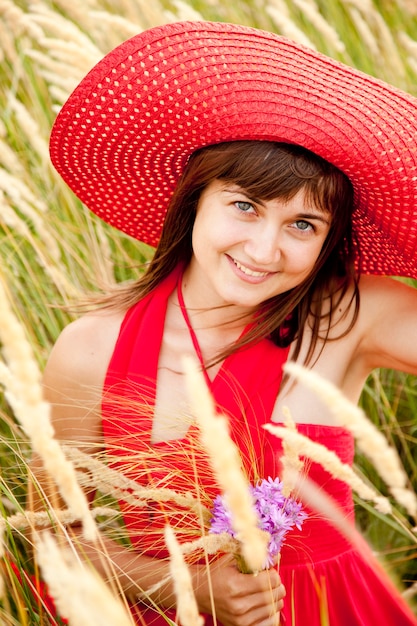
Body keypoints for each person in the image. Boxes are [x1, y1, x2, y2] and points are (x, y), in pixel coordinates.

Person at [30, 19, 417, 626]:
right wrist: (182, 585)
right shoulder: (91, 350)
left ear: (329, 242)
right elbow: (51, 538)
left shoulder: (347, 314)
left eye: (303, 225)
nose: (264, 251)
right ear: (194, 201)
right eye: (244, 206)